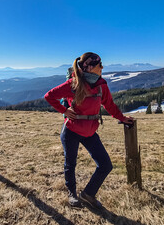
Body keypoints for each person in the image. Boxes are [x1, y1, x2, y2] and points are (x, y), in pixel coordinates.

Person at [44, 52, 134, 208]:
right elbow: (49, 96)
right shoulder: (73, 84)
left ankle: (88, 194)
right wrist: (64, 111)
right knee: (70, 164)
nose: (102, 68)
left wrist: (121, 118)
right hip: (71, 130)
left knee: (105, 165)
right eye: (100, 65)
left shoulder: (101, 85)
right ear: (91, 67)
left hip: (90, 132)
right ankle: (72, 194)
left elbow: (109, 105)